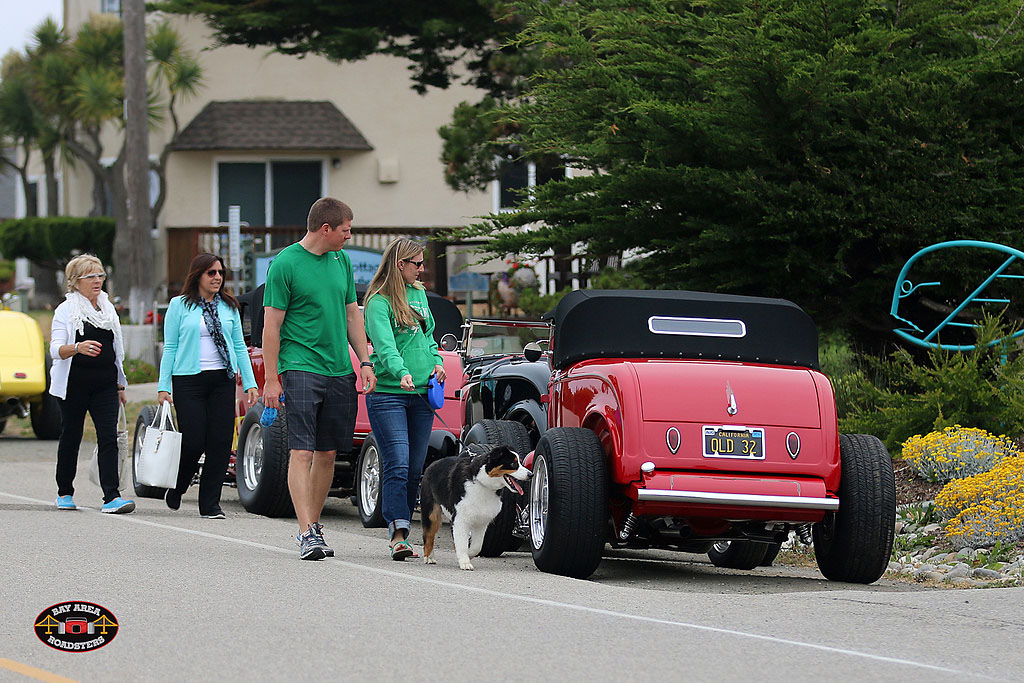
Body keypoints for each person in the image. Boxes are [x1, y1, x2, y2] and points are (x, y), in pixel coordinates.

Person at [262, 197, 377, 560]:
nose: (349, 235)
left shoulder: (341, 260)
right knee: (302, 450)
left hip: (339, 370)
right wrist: (271, 379)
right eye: (346, 230)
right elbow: (271, 327)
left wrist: (365, 360)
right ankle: (305, 531)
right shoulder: (285, 264)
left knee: (328, 452)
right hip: (301, 366)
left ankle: (314, 525)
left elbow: (352, 315)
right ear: (325, 229)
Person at [157, 253, 259, 519]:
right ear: (198, 275)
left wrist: (249, 383)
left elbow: (238, 346)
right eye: (211, 273)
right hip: (188, 380)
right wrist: (163, 386)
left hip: (221, 380)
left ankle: (210, 504)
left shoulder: (229, 306)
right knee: (193, 439)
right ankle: (178, 486)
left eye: (220, 273)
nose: (217, 278)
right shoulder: (179, 306)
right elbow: (170, 347)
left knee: (221, 441)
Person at [363, 238, 446, 560]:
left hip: (422, 391)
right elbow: (384, 347)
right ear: (400, 264)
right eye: (417, 263)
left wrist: (437, 362)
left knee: (414, 468)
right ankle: (398, 533)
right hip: (388, 393)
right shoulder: (378, 302)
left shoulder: (420, 294)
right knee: (397, 461)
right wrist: (400, 372)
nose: (422, 269)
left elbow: (428, 338)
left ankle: (405, 531)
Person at [49, 254, 135, 514]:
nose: (97, 281)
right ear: (76, 282)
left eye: (100, 275)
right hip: (73, 385)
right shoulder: (66, 310)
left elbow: (116, 350)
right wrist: (77, 347)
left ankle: (111, 497)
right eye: (91, 276)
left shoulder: (108, 308)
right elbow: (55, 349)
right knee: (71, 436)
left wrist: (120, 385)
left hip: (105, 385)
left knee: (108, 436)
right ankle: (65, 491)